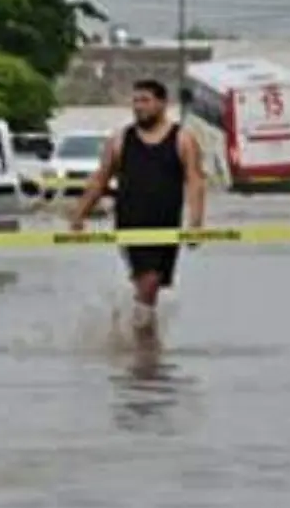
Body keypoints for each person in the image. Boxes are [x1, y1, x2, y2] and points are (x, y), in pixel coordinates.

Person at [69, 79, 206, 333]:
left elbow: (196, 181)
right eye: (135, 101)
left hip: (166, 224)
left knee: (153, 286)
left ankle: (132, 333)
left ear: (162, 104)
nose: (139, 107)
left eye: (145, 101)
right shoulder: (121, 139)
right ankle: (138, 337)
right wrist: (80, 214)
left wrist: (196, 222)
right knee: (149, 281)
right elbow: (101, 178)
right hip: (131, 221)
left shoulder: (182, 139)